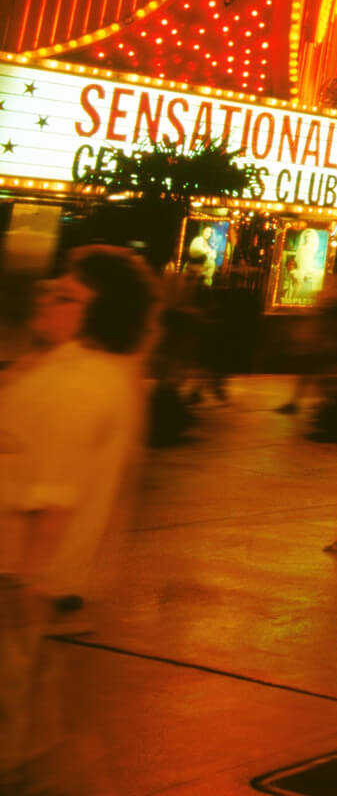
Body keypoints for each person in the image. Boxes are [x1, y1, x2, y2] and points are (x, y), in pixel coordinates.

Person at [0, 247, 154, 785]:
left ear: (98, 314)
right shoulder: (67, 367)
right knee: (27, 711)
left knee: (13, 713)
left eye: (67, 295)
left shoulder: (80, 385)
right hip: (26, 579)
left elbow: (54, 493)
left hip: (16, 574)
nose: (49, 296)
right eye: (53, 287)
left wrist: (30, 586)